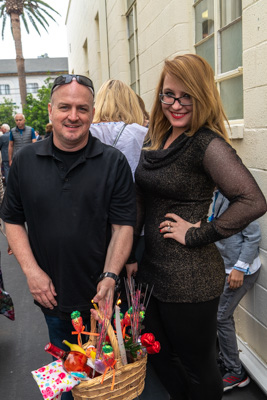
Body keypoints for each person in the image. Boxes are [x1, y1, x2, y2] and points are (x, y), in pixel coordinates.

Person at [126, 54, 267, 400]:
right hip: (152, 271)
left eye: (186, 95)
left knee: (197, 365)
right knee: (158, 355)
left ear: (202, 95)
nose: (175, 104)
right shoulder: (155, 138)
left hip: (190, 279)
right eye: (168, 94)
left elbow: (253, 201)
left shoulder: (206, 143)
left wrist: (197, 233)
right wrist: (128, 253)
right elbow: (143, 197)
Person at [0, 74, 136, 400]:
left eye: (82, 108)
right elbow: (12, 220)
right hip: (50, 295)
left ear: (92, 112)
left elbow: (123, 227)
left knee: (101, 383)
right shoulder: (25, 161)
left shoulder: (113, 162)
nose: (73, 116)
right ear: (50, 110)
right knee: (64, 372)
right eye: (64, 107)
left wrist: (109, 276)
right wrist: (32, 274)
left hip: (99, 299)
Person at [211, 190, 262, 392]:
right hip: (227, 267)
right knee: (221, 316)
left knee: (221, 317)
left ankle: (236, 372)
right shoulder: (217, 194)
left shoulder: (236, 197)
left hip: (241, 270)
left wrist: (239, 268)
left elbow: (253, 236)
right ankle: (227, 360)